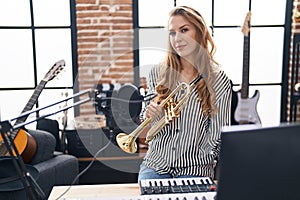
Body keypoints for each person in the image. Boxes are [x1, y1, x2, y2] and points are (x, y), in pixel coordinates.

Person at [138, 5, 232, 181]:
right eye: (172, 32)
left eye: (184, 30)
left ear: (199, 32)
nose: (177, 38)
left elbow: (217, 133)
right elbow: (146, 123)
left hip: (195, 167)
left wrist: (202, 159)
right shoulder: (157, 73)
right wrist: (149, 113)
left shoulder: (219, 80)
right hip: (157, 164)